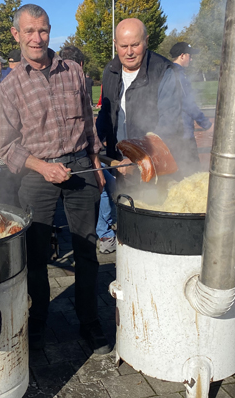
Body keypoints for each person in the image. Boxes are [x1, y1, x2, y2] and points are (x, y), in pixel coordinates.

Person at [0, 4, 111, 354]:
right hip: (37, 174)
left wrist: (96, 160)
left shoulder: (74, 71)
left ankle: (89, 321)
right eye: (29, 31)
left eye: (43, 30)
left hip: (80, 168)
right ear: (17, 35)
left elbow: (89, 122)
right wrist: (42, 167)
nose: (37, 38)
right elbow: (6, 146)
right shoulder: (10, 86)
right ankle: (38, 324)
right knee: (36, 254)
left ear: (50, 31)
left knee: (87, 249)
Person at [98, 18, 184, 175]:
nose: (129, 52)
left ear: (146, 40)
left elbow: (169, 123)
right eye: (123, 46)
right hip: (117, 164)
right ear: (115, 43)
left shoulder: (164, 71)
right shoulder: (110, 71)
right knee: (118, 199)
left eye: (135, 45)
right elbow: (105, 113)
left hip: (153, 166)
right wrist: (94, 144)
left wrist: (138, 156)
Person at [59, 46, 115, 254]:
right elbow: (88, 123)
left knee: (106, 188)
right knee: (105, 190)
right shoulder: (79, 82)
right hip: (80, 158)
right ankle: (105, 233)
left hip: (79, 156)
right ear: (81, 65)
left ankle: (102, 231)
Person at [170, 42, 212, 168]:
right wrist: (206, 123)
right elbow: (187, 103)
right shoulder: (178, 75)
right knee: (192, 169)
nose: (191, 59)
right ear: (182, 55)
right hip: (183, 133)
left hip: (173, 131)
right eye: (190, 55)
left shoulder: (168, 72)